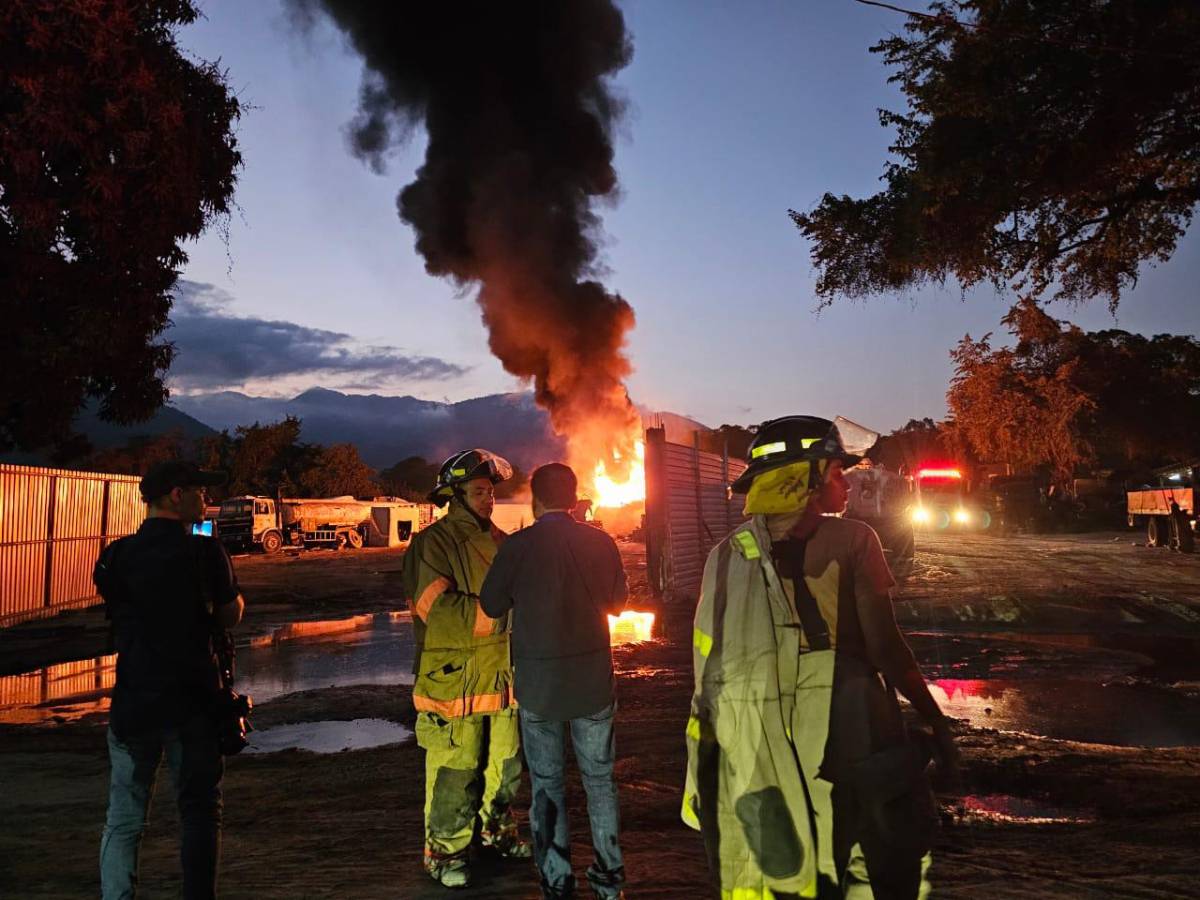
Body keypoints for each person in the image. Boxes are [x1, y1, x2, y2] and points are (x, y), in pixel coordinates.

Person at [682, 416, 959, 900]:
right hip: (850, 727)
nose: (846, 482)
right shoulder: (855, 541)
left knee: (791, 866)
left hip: (761, 736)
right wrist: (935, 718)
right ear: (802, 481)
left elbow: (711, 668)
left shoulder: (726, 556)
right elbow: (885, 646)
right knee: (875, 863)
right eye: (834, 473)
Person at [92, 460, 245, 900]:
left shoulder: (115, 555)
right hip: (194, 704)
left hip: (133, 701)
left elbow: (120, 611)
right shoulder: (205, 552)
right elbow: (229, 613)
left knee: (124, 817)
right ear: (176, 495)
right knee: (199, 812)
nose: (207, 499)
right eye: (200, 490)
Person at [481, 463, 628, 900]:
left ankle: (557, 882)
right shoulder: (601, 542)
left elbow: (491, 605)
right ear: (575, 495)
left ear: (535, 499)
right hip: (592, 684)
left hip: (539, 686)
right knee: (600, 782)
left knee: (547, 785)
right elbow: (618, 603)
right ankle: (608, 883)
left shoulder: (518, 546)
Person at [400, 448, 530, 888]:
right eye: (478, 492)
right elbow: (434, 608)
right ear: (454, 495)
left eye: (491, 493)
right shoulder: (431, 544)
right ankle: (445, 852)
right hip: (454, 679)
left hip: (502, 676)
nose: (489, 501)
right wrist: (506, 616)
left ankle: (496, 832)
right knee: (456, 770)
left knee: (505, 765)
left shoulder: (505, 543)